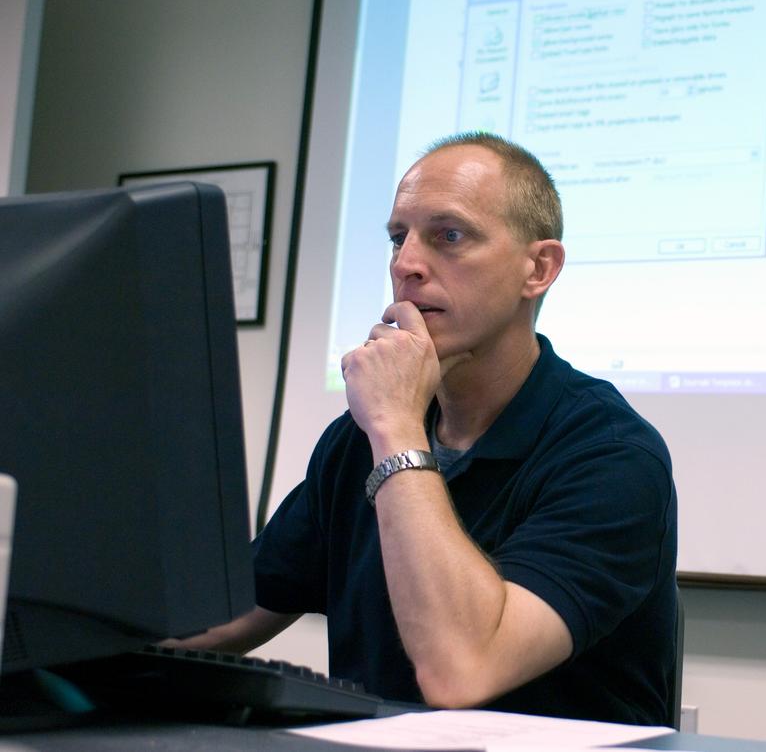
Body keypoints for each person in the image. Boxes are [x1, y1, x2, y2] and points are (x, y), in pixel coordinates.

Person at [180, 133, 678, 726]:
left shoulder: (612, 456)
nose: (405, 264)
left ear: (538, 268)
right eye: (398, 237)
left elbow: (460, 671)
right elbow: (227, 618)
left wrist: (396, 429)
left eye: (449, 236)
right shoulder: (353, 442)